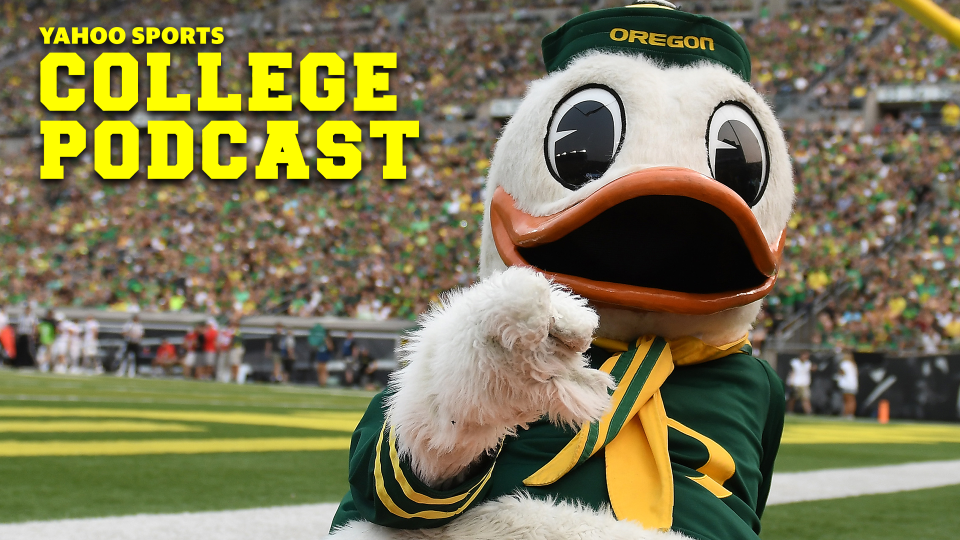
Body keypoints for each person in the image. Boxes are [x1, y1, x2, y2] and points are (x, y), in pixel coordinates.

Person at [786, 351, 815, 415]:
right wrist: (790, 381)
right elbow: (792, 372)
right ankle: (789, 411)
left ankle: (808, 412)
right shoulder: (795, 362)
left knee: (806, 398)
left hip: (804, 383)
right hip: (796, 383)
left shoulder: (808, 363)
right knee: (793, 398)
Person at [308, 322, 334, 387]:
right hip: (319, 356)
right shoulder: (320, 340)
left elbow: (331, 348)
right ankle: (320, 383)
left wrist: (326, 341)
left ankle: (324, 383)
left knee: (324, 371)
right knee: (319, 370)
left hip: (325, 357)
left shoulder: (328, 340)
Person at [836, 353, 858, 420]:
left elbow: (842, 372)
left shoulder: (844, 363)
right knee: (852, 400)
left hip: (846, 384)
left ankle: (846, 414)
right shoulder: (853, 364)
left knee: (847, 400)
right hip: (853, 384)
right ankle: (850, 414)